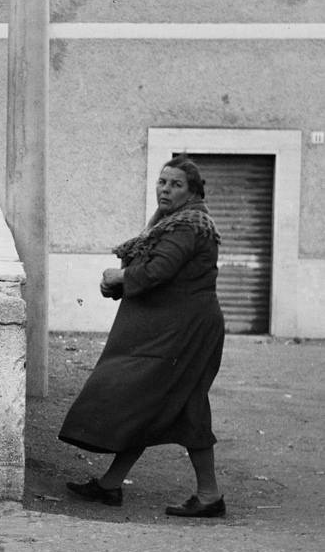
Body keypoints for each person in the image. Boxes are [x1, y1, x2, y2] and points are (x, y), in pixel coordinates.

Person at [58, 156, 227, 518]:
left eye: (176, 184)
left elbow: (159, 270)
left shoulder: (187, 226)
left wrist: (119, 279)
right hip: (172, 329)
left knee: (162, 402)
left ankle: (208, 495)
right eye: (163, 182)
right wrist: (118, 285)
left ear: (193, 192)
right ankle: (111, 485)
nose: (165, 189)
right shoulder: (173, 221)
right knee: (155, 405)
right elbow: (155, 272)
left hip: (183, 334)